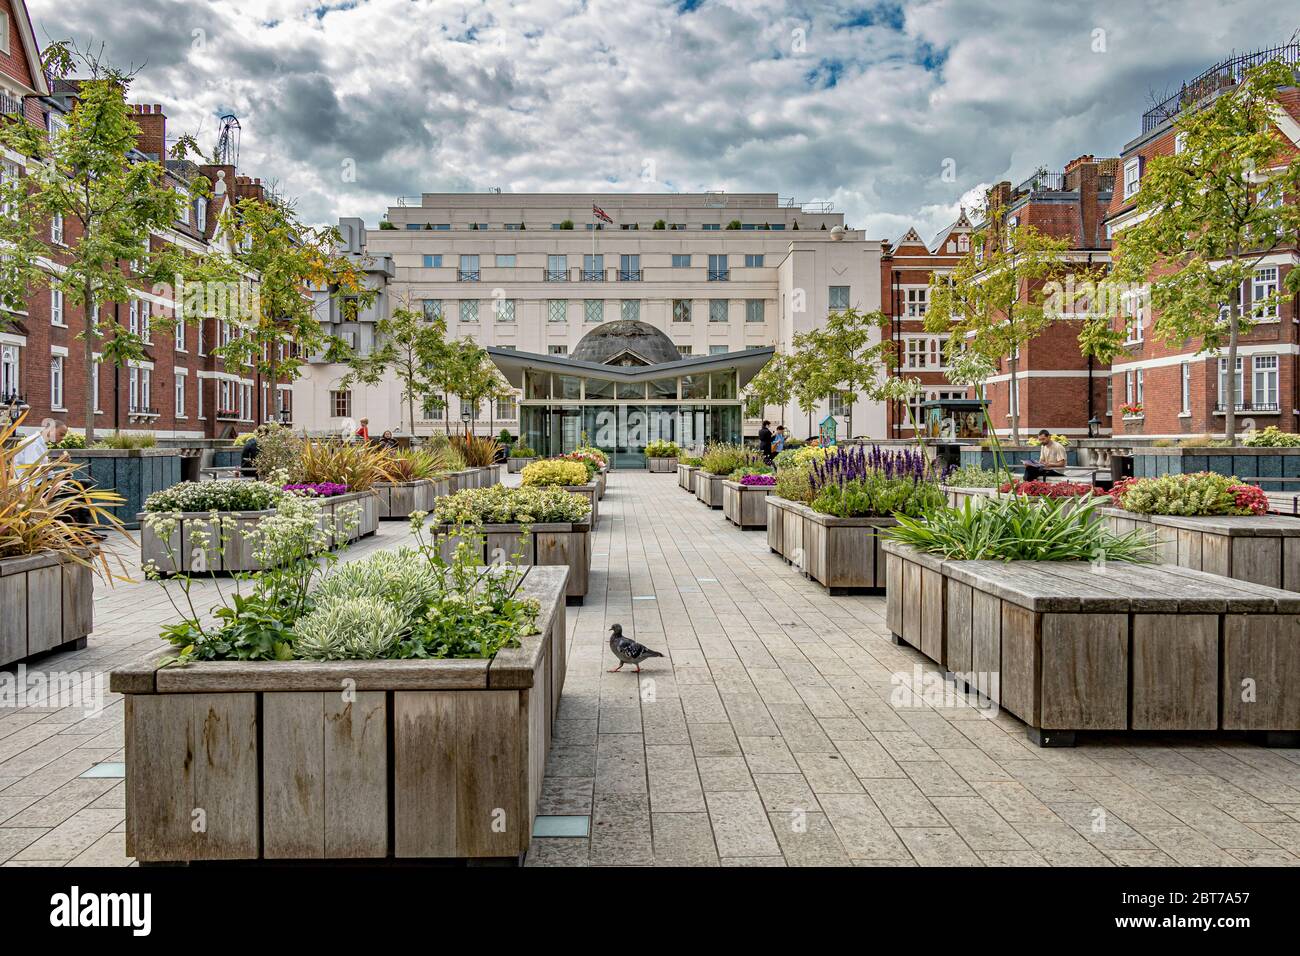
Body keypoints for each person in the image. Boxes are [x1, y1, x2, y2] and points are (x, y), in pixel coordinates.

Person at [14, 418, 67, 483]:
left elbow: (42, 471)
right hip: (29, 489)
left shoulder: (40, 443)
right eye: (61, 434)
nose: (62, 438)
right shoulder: (33, 443)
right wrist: (58, 462)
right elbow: (32, 471)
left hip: (38, 486)